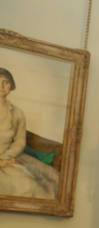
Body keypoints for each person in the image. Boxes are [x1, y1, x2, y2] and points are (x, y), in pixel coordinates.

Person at [0, 67, 58, 199]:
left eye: (6, 82)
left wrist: (6, 157)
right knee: (22, 187)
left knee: (49, 180)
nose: (1, 86)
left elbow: (20, 141)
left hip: (8, 157)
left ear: (11, 86)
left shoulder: (17, 113)